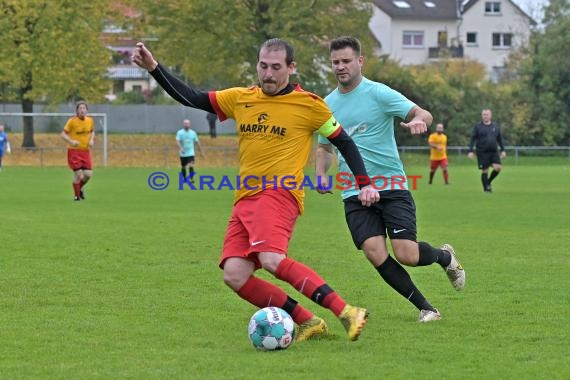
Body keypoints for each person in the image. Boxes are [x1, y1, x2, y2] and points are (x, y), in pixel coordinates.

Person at [132, 38, 380, 341]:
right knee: (234, 275)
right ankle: (307, 321)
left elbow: (344, 142)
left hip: (279, 193)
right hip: (245, 197)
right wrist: (154, 69)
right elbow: (192, 97)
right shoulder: (240, 98)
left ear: (291, 68)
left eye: (276, 67)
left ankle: (346, 311)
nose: (269, 74)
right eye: (263, 66)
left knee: (271, 259)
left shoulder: (310, 105)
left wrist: (364, 184)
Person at [316, 36, 465, 323]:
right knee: (374, 252)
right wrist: (321, 175)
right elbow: (323, 147)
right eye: (335, 62)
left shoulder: (379, 93)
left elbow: (423, 113)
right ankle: (427, 308)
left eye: (346, 61)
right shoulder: (327, 104)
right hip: (353, 192)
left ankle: (445, 258)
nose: (340, 67)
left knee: (407, 254)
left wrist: (420, 120)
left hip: (391, 186)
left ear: (360, 61)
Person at [61, 101, 94, 201]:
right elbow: (63, 134)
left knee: (88, 175)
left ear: (87, 110)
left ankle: (79, 189)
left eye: (84, 108)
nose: (82, 110)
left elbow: (92, 131)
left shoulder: (90, 121)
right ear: (77, 111)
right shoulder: (72, 121)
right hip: (74, 151)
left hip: (85, 151)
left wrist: (91, 139)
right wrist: (71, 141)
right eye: (80, 108)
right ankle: (77, 196)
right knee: (79, 174)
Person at [468, 109, 506, 192]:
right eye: (484, 114)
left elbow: (500, 139)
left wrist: (503, 150)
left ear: (490, 116)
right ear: (482, 116)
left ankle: (488, 182)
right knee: (485, 170)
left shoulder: (495, 126)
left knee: (498, 168)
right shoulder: (477, 127)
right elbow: (472, 139)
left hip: (493, 151)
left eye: (487, 114)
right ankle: (486, 188)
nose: (485, 116)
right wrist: (470, 151)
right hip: (482, 152)